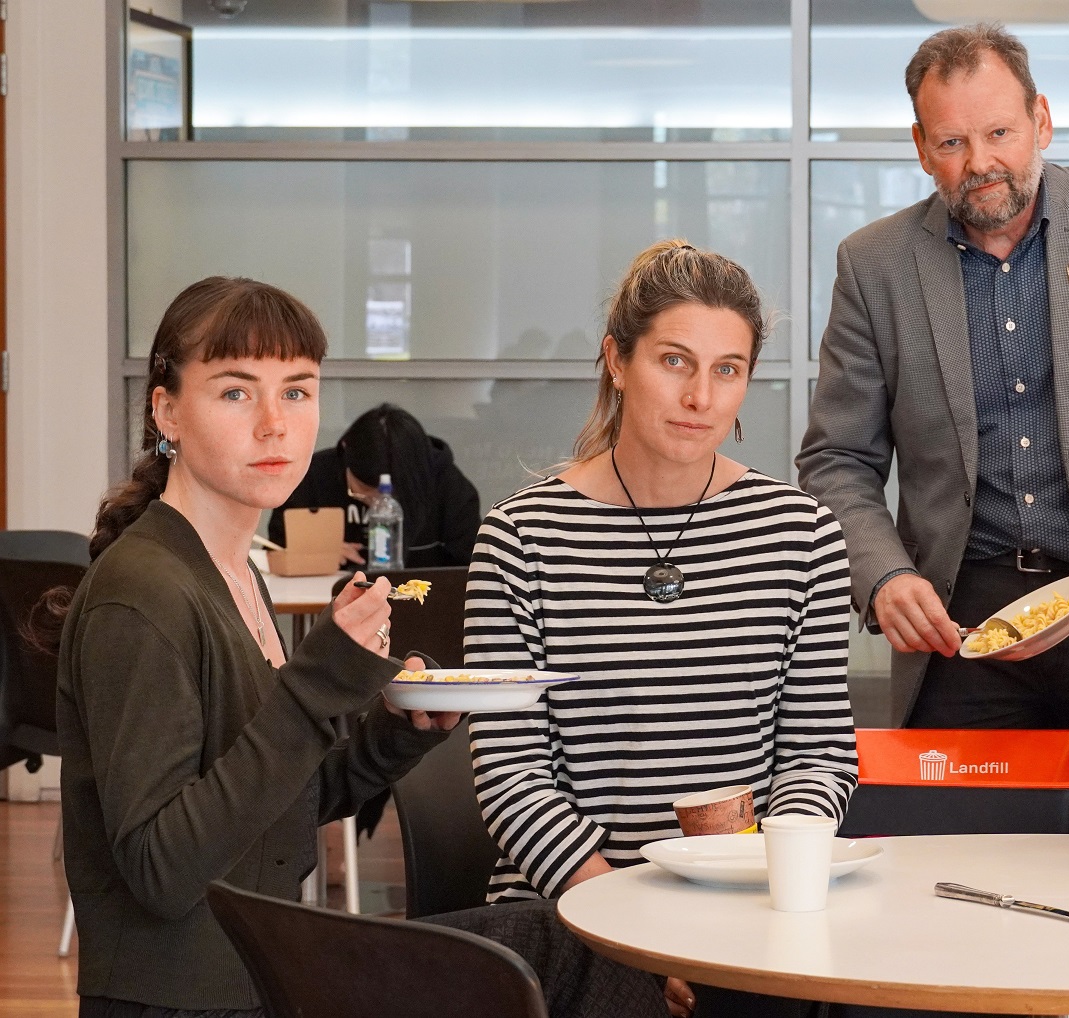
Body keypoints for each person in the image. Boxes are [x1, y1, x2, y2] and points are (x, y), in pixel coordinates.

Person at [465, 240, 860, 1018]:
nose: (701, 397)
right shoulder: (521, 538)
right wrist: (632, 928)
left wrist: (767, 888)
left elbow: (818, 755)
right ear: (617, 360)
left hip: (748, 914)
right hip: (571, 916)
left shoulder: (801, 534)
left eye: (727, 369)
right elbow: (510, 776)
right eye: (674, 361)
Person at [49, 276, 462, 1017]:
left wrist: (397, 734)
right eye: (236, 392)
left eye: (297, 391)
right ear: (166, 410)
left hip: (257, 977)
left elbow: (274, 803)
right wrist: (318, 683)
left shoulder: (233, 571)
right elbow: (164, 869)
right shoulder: (143, 594)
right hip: (176, 999)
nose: (275, 423)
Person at [797, 23, 1069, 734]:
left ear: (1041, 120)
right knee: (955, 840)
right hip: (960, 618)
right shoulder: (873, 266)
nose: (981, 162)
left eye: (999, 132)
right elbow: (837, 459)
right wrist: (885, 575)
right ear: (922, 148)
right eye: (953, 142)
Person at [268, 403, 481, 569]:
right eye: (365, 492)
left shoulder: (447, 484)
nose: (377, 504)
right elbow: (275, 548)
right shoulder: (314, 475)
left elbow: (470, 567)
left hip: (424, 607)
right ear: (345, 452)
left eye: (390, 495)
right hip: (329, 605)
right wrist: (316, 556)